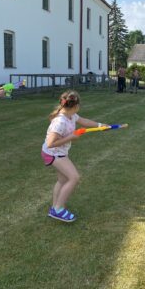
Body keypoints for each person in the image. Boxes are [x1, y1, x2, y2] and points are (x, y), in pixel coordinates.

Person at [41, 90, 107, 222]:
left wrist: (100, 126)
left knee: (63, 180)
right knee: (74, 177)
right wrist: (71, 137)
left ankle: (54, 208)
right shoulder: (60, 122)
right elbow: (50, 143)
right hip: (53, 154)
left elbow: (84, 121)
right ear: (76, 106)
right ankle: (58, 209)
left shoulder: (71, 115)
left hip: (58, 153)